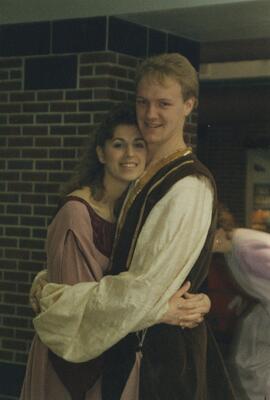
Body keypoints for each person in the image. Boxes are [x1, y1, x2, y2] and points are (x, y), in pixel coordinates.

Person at [33, 53, 236, 399]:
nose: (150, 114)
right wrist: (46, 281)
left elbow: (144, 288)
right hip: (133, 347)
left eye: (164, 103)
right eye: (143, 102)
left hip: (161, 361)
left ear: (188, 105)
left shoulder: (188, 186)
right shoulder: (147, 176)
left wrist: (62, 303)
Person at [213, 203, 270, 400]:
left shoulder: (246, 249)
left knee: (252, 364)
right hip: (263, 315)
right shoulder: (234, 250)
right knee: (247, 361)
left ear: (218, 232)